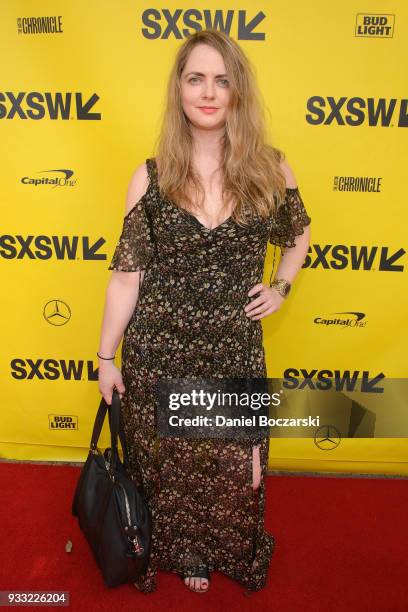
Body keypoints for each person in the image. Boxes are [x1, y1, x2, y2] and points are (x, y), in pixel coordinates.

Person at [97, 28, 311, 594]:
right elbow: (126, 277)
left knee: (234, 471)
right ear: (180, 90)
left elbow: (299, 235)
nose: (209, 92)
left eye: (222, 79)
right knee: (169, 467)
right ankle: (184, 551)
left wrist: (281, 286)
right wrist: (105, 355)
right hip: (159, 349)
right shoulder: (151, 177)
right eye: (196, 78)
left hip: (233, 346)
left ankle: (217, 548)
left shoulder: (270, 169)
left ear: (238, 90)